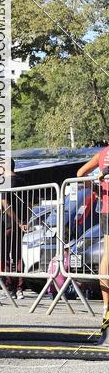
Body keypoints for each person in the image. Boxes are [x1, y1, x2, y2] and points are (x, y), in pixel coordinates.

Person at [77, 145, 109, 346]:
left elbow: (80, 173)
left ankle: (106, 306)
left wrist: (96, 188)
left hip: (106, 208)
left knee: (107, 255)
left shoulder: (102, 153)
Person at [0, 159, 28, 300]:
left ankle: (10, 288)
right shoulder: (23, 181)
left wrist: (19, 221)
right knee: (17, 256)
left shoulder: (5, 182)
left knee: (5, 257)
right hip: (18, 224)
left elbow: (4, 204)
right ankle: (19, 288)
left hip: (7, 224)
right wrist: (24, 221)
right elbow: (29, 203)